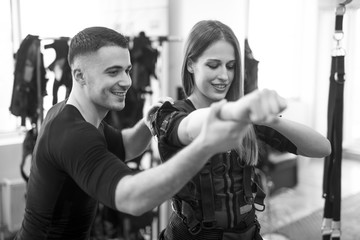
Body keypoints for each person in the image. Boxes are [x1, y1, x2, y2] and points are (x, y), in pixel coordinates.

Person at [14, 26, 283, 240]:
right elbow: (132, 198)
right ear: (80, 75)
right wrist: (204, 146)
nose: (127, 82)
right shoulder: (72, 134)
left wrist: (146, 121)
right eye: (113, 72)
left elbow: (127, 146)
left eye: (128, 70)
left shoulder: (72, 114)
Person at [151, 20, 332, 240]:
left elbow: (323, 148)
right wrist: (237, 111)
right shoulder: (171, 114)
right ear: (191, 64)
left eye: (230, 66)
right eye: (213, 65)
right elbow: (190, 128)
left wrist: (272, 120)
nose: (224, 76)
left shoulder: (246, 118)